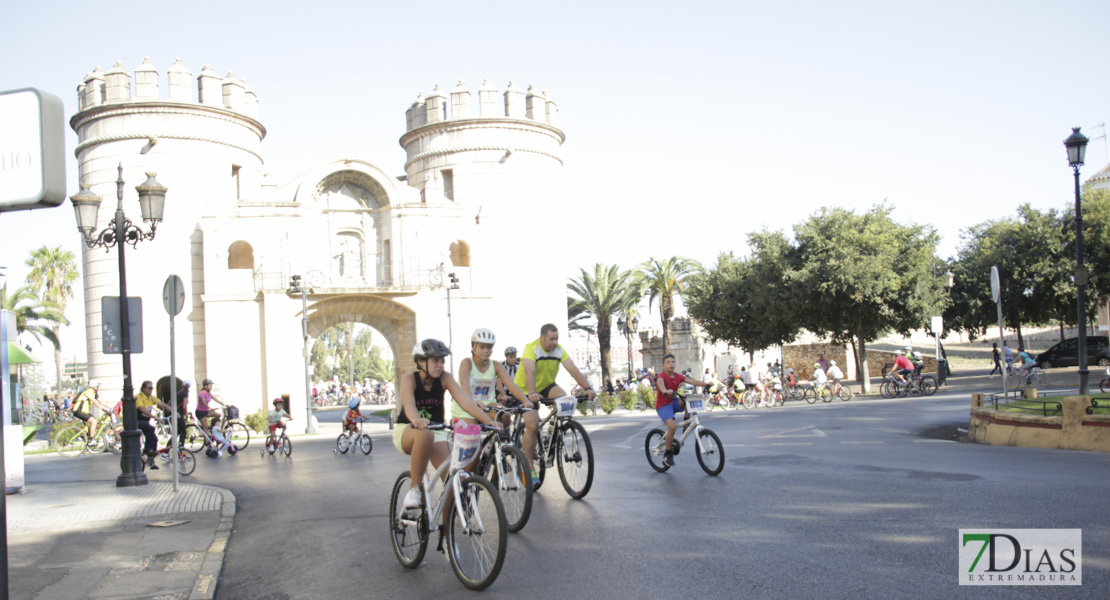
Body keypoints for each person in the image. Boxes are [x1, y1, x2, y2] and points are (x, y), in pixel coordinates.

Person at [394, 338, 499, 510]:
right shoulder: (410, 379)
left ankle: (445, 530)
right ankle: (414, 489)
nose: (440, 365)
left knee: (453, 478)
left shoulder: (445, 378)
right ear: (420, 361)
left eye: (442, 360)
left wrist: (488, 421)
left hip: (436, 431)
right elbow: (409, 404)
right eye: (435, 360)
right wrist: (416, 420)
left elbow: (465, 402)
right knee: (425, 433)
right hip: (408, 430)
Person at [513, 324, 597, 474]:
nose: (554, 342)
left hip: (546, 386)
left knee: (565, 401)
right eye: (551, 339)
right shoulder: (531, 349)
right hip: (525, 389)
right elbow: (529, 372)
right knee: (532, 426)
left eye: (556, 339)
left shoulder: (559, 350)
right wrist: (531, 393)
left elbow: (573, 369)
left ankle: (551, 436)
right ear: (542, 338)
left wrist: (588, 388)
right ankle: (529, 468)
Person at [455, 328, 538, 477]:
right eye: (482, 347)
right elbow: (464, 384)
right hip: (466, 408)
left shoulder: (495, 365)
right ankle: (466, 479)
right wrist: (473, 400)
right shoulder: (466, 363)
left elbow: (511, 385)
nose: (486, 350)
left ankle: (497, 449)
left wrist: (525, 400)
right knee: (475, 447)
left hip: (488, 405)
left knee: (505, 415)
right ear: (473, 347)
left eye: (489, 347)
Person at [655, 353, 709, 466]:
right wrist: (665, 391)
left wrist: (707, 384)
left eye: (673, 362)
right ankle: (668, 454)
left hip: (673, 402)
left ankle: (685, 427)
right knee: (672, 427)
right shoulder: (661, 376)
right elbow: (661, 385)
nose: (671, 364)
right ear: (663, 365)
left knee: (687, 399)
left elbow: (693, 382)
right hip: (663, 406)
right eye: (668, 362)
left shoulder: (678, 376)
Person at [135, 380, 174, 467]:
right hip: (137, 421)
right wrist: (154, 417)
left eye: (152, 388)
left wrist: (173, 411)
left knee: (154, 439)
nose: (151, 390)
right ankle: (147, 450)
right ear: (144, 388)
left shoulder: (151, 398)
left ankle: (150, 459)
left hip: (145, 421)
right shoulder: (139, 397)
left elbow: (162, 404)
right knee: (150, 428)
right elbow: (142, 409)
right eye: (149, 388)